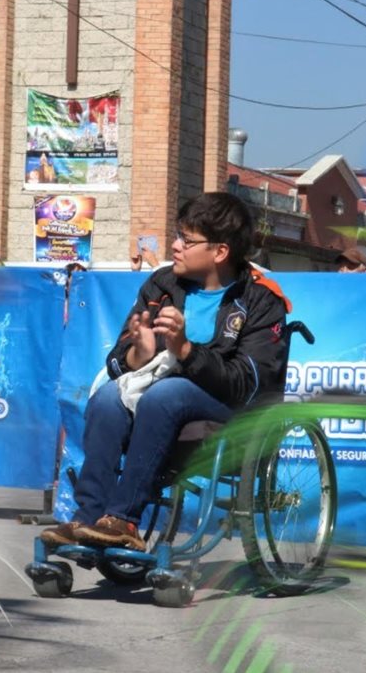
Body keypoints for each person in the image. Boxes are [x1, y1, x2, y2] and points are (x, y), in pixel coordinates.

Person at [39, 192, 291, 551]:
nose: (174, 246)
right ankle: (89, 516)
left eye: (186, 240)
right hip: (162, 401)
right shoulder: (162, 286)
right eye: (177, 235)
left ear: (220, 252)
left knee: (166, 394)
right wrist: (136, 357)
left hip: (231, 412)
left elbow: (248, 384)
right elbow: (116, 361)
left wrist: (185, 350)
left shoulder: (261, 300)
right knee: (109, 398)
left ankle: (125, 519)